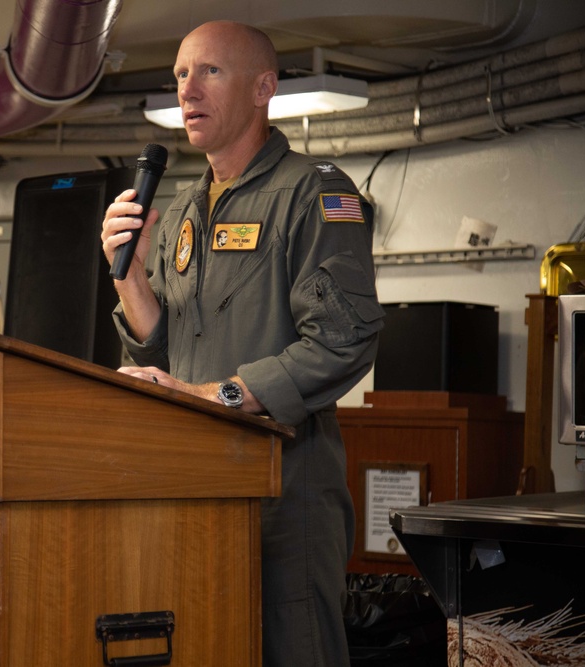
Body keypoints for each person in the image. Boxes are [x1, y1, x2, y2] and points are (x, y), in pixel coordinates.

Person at [100, 20, 384, 666]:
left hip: (285, 499)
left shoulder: (315, 193)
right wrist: (132, 278)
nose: (187, 89)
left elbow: (344, 338)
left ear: (264, 87)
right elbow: (166, 359)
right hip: (200, 491)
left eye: (209, 72)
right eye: (179, 75)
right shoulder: (177, 214)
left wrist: (219, 396)